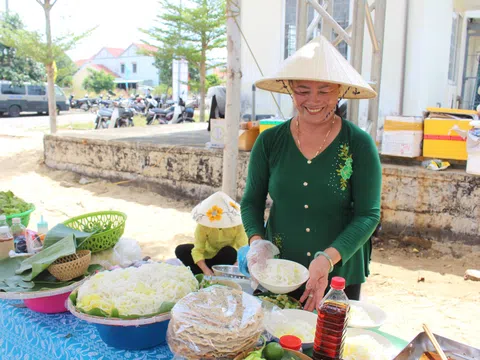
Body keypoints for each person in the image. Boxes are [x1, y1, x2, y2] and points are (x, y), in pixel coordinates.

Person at [238, 35, 382, 311]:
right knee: (275, 344)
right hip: (279, 272)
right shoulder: (269, 142)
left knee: (326, 347)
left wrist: (327, 259)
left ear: (339, 90)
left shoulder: (359, 145)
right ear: (291, 90)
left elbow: (368, 214)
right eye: (303, 91)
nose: (313, 101)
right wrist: (257, 242)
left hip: (338, 273)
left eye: (324, 90)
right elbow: (252, 201)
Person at [175, 191, 248, 276]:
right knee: (181, 250)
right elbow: (198, 249)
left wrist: (235, 267)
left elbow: (244, 249)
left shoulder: (237, 225)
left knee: (230, 251)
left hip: (225, 259)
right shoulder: (203, 225)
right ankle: (206, 271)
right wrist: (205, 269)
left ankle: (198, 271)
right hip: (207, 255)